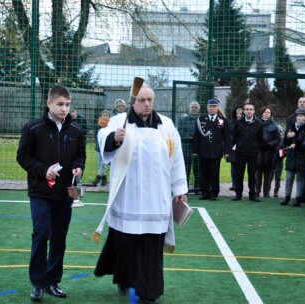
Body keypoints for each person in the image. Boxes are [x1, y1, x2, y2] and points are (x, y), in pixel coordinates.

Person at [93, 84, 188, 304]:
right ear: (132, 102)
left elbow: (177, 157)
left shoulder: (166, 125)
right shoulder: (120, 122)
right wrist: (115, 138)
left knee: (152, 248)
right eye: (141, 100)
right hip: (129, 197)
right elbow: (103, 135)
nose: (146, 104)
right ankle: (125, 279)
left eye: (150, 100)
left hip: (157, 199)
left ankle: (149, 293)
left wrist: (180, 188)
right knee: (127, 244)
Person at [17, 85, 85, 302]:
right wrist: (43, 170)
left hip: (65, 194)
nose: (64, 109)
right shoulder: (33, 128)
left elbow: (80, 155)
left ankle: (52, 281)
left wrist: (78, 166)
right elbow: (23, 156)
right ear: (49, 104)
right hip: (40, 192)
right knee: (41, 233)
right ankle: (37, 283)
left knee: (59, 238)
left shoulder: (76, 131)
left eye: (67, 104)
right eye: (60, 104)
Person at [193, 98, 230, 200]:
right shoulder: (201, 119)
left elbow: (226, 137)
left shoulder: (223, 121)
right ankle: (205, 192)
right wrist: (195, 150)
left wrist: (226, 151)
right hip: (203, 150)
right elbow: (196, 136)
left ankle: (214, 193)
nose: (212, 108)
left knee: (214, 173)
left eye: (214, 106)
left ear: (217, 108)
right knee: (204, 173)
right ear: (207, 107)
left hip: (216, 151)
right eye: (210, 106)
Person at [232, 103, 263, 202]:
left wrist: (256, 147)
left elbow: (261, 138)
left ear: (254, 111)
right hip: (240, 152)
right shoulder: (238, 123)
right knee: (239, 174)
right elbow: (234, 136)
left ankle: (252, 195)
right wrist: (238, 145)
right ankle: (238, 194)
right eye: (247, 109)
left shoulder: (259, 123)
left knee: (252, 175)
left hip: (253, 153)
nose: (249, 111)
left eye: (251, 109)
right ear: (244, 111)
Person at [280, 108, 305, 206]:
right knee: (289, 178)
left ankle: (298, 198)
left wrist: (295, 142)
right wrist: (288, 137)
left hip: (302, 156)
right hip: (291, 156)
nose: (298, 117)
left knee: (300, 179)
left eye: (301, 115)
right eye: (297, 115)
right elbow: (285, 142)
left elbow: (303, 139)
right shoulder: (292, 126)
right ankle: (287, 197)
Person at [254, 106, 281, 198]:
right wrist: (258, 144)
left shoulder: (274, 125)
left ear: (271, 114)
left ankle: (266, 192)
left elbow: (278, 139)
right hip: (258, 153)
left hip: (269, 154)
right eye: (265, 112)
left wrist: (270, 144)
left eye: (268, 112)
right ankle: (256, 191)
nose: (266, 113)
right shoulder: (256, 123)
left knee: (268, 176)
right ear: (262, 113)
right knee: (257, 175)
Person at [177, 101, 201, 192]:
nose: (194, 108)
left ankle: (197, 188)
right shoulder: (183, 120)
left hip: (198, 149)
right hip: (186, 147)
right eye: (192, 107)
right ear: (189, 108)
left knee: (198, 169)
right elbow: (180, 131)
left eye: (196, 107)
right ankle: (184, 189)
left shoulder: (201, 120)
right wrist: (191, 138)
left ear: (198, 109)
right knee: (185, 169)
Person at [91, 109, 110, 186]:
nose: (105, 117)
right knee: (100, 164)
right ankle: (104, 179)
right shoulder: (97, 125)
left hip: (107, 148)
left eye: (107, 115)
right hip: (99, 147)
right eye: (103, 115)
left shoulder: (111, 125)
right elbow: (96, 136)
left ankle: (97, 179)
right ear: (101, 116)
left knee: (103, 164)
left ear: (109, 116)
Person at [227, 106, 243, 191]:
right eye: (237, 113)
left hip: (242, 147)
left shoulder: (244, 123)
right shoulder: (231, 123)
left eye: (240, 113)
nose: (239, 115)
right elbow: (228, 134)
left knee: (241, 167)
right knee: (233, 167)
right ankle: (234, 184)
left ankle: (239, 184)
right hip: (233, 148)